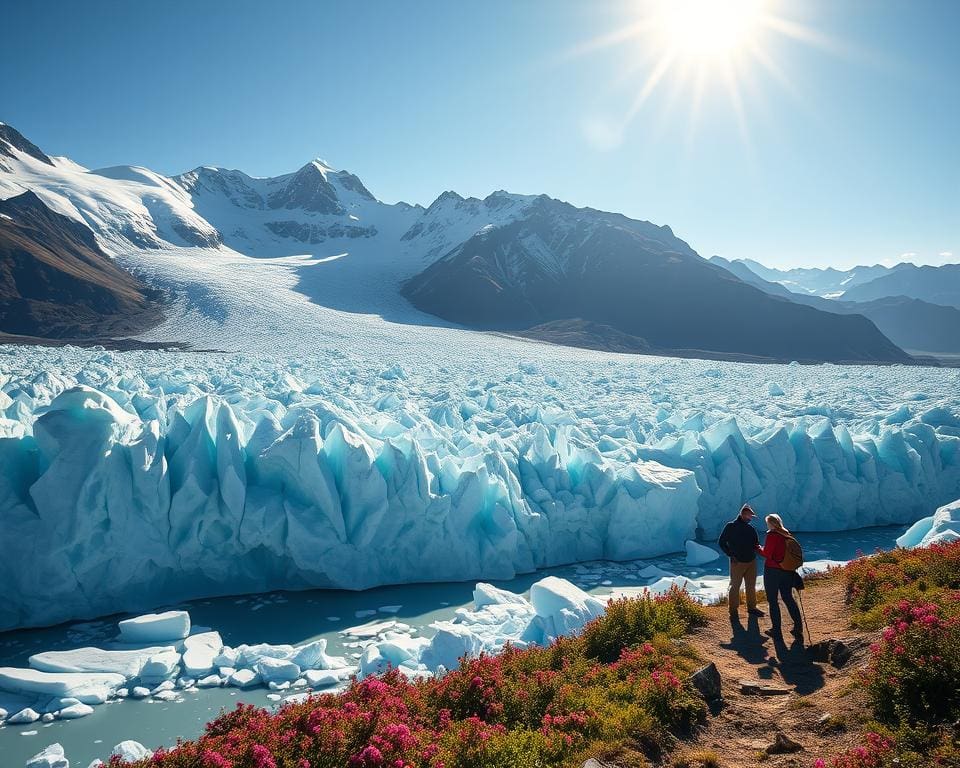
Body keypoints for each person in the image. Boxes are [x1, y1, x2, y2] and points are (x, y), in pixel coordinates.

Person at [756, 513, 804, 639]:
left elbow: (767, 553)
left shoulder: (772, 535)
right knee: (788, 597)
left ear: (771, 523)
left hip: (773, 570)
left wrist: (757, 548)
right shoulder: (786, 533)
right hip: (787, 570)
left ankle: (776, 630)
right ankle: (798, 627)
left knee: (772, 600)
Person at [718, 504, 763, 618]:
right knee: (735, 586)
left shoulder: (750, 529)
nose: (750, 518)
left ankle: (752, 608)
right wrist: (730, 555)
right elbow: (721, 542)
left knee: (750, 585)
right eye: (749, 516)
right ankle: (733, 611)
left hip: (751, 561)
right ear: (742, 514)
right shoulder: (731, 526)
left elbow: (756, 543)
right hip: (737, 562)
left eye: (751, 516)